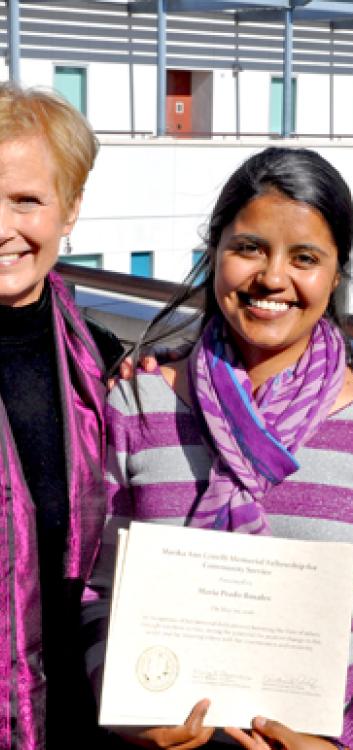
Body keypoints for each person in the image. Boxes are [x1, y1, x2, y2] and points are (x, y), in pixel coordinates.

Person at [84, 147, 353, 750]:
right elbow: (99, 592)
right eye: (248, 247)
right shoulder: (138, 403)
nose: (272, 278)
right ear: (213, 254)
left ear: (336, 273)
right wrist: (124, 708)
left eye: (305, 257)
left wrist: (345, 745)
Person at [0, 84, 123, 749]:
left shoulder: (105, 368)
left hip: (83, 714)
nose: (2, 228)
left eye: (26, 201)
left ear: (70, 210)